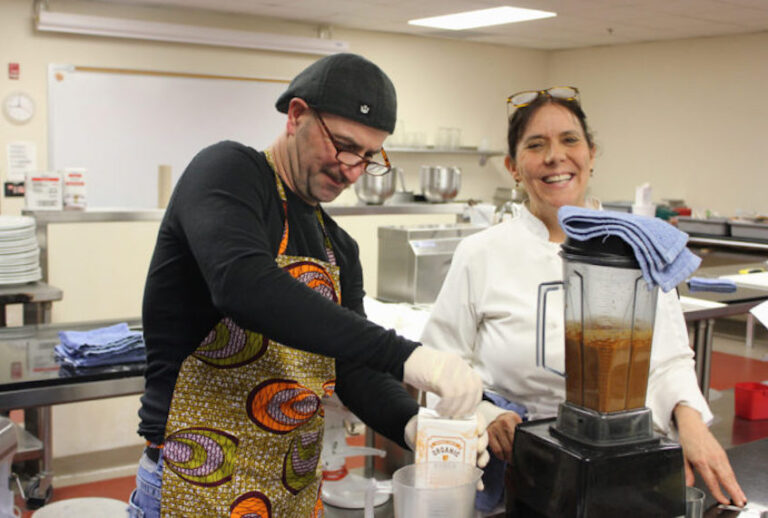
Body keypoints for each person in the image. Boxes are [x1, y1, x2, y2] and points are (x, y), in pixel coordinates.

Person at [128, 53, 484, 518]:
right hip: (194, 485)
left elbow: (353, 368)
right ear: (296, 115)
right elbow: (243, 284)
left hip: (290, 488)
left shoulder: (339, 245)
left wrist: (413, 423)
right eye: (343, 145)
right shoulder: (228, 173)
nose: (353, 170)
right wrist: (408, 355)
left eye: (368, 157)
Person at [420, 86, 747, 512]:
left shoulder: (636, 246)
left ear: (591, 154)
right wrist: (485, 415)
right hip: (515, 465)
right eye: (536, 145)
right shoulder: (481, 253)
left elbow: (668, 359)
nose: (555, 156)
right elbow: (436, 366)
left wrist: (690, 420)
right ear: (513, 167)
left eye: (569, 140)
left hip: (621, 461)